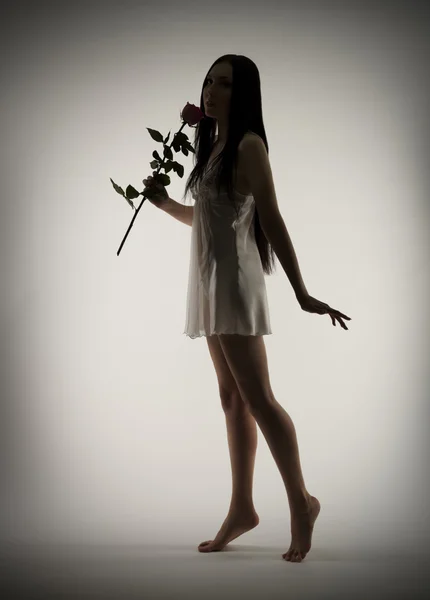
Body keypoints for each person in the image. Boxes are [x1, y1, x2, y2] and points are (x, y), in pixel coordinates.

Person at [143, 55, 351, 563]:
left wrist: (303, 293)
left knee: (259, 399)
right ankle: (242, 508)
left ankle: (302, 504)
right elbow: (211, 216)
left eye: (225, 84)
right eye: (208, 82)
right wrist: (166, 203)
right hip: (211, 283)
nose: (212, 92)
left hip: (235, 285)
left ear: (245, 94)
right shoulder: (212, 145)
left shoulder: (249, 146)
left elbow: (273, 221)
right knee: (232, 399)